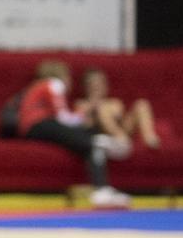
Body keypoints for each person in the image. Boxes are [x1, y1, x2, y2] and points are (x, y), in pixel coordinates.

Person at [18, 60, 131, 209]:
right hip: (40, 125)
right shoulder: (54, 84)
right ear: (63, 76)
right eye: (69, 77)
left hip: (35, 128)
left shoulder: (38, 87)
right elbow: (62, 117)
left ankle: (102, 188)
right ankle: (100, 143)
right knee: (90, 139)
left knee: (90, 147)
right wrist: (81, 116)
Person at [75, 67, 161, 150]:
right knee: (102, 109)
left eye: (100, 84)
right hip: (101, 135)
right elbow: (83, 124)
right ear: (85, 87)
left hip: (121, 129)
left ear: (106, 86)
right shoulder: (81, 104)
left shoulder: (114, 102)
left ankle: (149, 137)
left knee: (142, 104)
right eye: (93, 84)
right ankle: (121, 138)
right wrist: (94, 110)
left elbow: (119, 114)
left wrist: (104, 108)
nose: (97, 87)